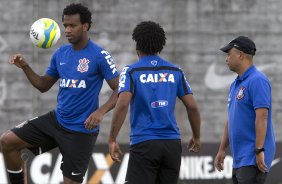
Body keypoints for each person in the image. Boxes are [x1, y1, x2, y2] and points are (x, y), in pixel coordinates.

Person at [0, 3, 119, 184]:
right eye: (65, 25)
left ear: (85, 26)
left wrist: (100, 112)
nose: (67, 30)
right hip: (57, 121)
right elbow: (43, 85)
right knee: (7, 141)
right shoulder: (61, 53)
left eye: (72, 26)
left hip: (81, 130)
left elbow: (121, 89)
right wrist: (25, 66)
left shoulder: (100, 55)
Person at [108, 21, 201, 184]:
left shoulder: (131, 71)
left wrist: (112, 139)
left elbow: (122, 104)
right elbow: (192, 107)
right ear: (161, 45)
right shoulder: (175, 71)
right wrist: (196, 136)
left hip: (145, 142)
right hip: (172, 144)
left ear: (137, 45)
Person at [214, 36, 276, 184]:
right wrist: (222, 149)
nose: (226, 59)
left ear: (240, 55)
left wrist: (259, 151)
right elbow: (231, 118)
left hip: (253, 157)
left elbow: (262, 117)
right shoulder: (235, 84)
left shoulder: (257, 80)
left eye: (229, 54)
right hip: (240, 158)